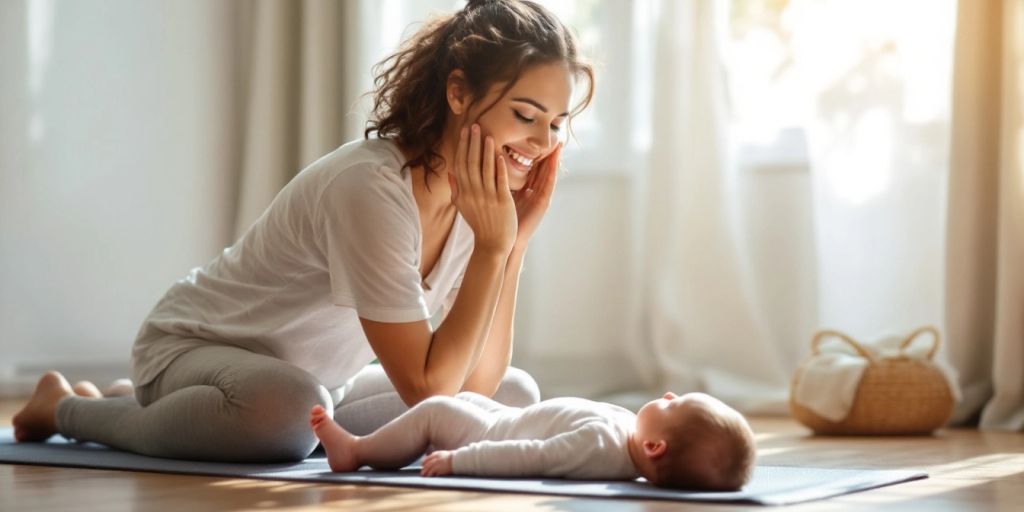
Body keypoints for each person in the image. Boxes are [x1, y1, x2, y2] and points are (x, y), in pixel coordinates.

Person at [12, 0, 595, 462]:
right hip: (197, 349)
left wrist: (512, 242)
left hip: (318, 386)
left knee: (511, 396)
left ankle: (201, 421)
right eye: (525, 115)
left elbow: (472, 385)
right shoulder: (371, 187)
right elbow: (430, 391)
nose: (543, 144)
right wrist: (494, 248)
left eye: (556, 124)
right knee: (289, 414)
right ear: (458, 92)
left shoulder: (479, 201)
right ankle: (66, 409)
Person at [309, 391, 757, 491]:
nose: (668, 395)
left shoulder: (600, 446)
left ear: (656, 448)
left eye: (674, 405)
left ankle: (357, 450)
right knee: (461, 397)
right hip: (509, 418)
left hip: (492, 434)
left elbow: (531, 456)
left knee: (434, 412)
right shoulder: (626, 438)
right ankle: (373, 445)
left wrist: (462, 460)